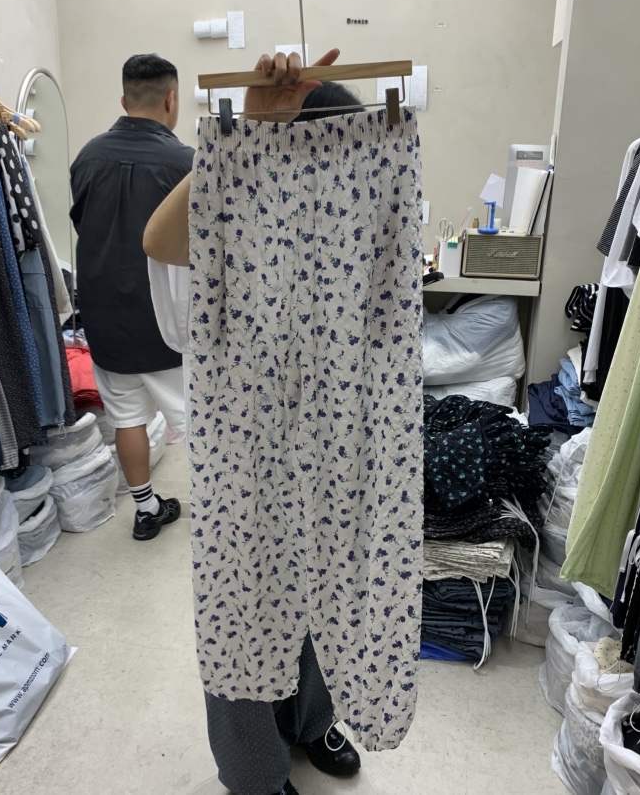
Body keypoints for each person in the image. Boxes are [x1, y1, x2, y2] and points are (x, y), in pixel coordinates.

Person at [145, 51, 366, 795]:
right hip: (243, 453)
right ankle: (254, 771)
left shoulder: (352, 214)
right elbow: (159, 241)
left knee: (324, 591)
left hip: (331, 443)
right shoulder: (234, 199)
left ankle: (310, 721)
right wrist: (245, 130)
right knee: (243, 608)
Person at [70, 53, 193, 541]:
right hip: (169, 324)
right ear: (171, 100)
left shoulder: (86, 158)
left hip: (106, 321)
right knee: (204, 423)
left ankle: (145, 510)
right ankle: (226, 512)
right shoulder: (186, 163)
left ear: (124, 100)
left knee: (127, 418)